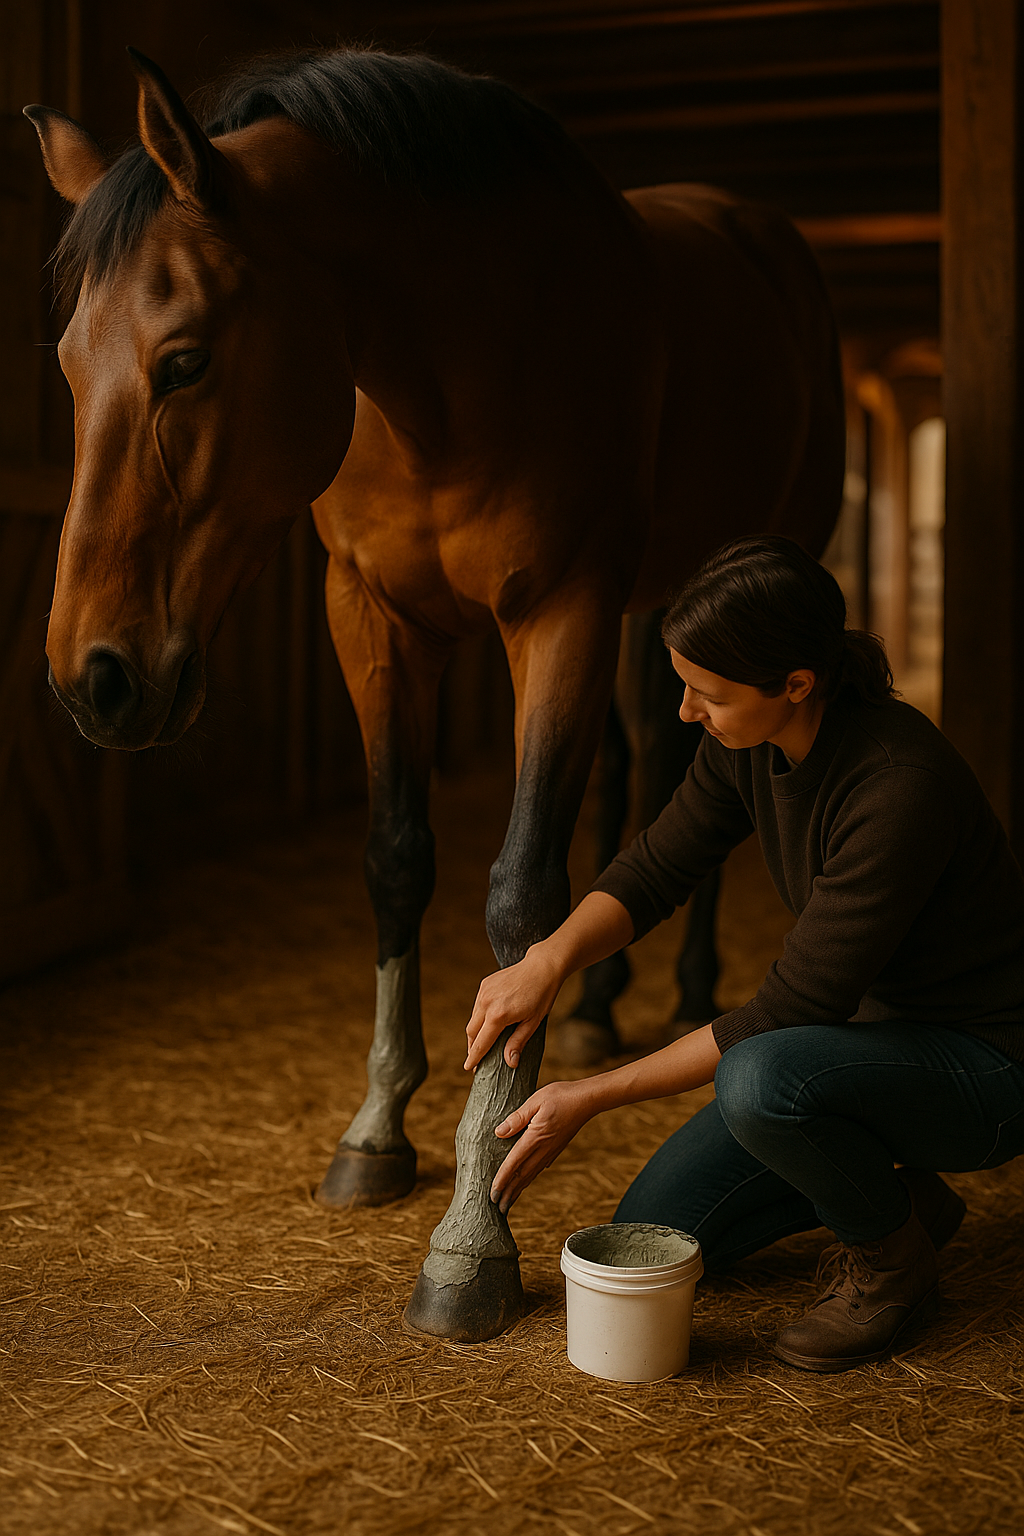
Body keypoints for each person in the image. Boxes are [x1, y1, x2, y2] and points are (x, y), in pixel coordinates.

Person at [463, 535, 1024, 1373]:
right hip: (870, 1046)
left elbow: (787, 1015)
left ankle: (891, 1265)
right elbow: (656, 869)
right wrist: (547, 959)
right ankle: (896, 1202)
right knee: (665, 1225)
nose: (687, 712)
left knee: (759, 1079)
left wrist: (592, 1093)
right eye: (684, 686)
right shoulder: (749, 742)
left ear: (796, 684)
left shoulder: (898, 787)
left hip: (984, 1065)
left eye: (706, 694)